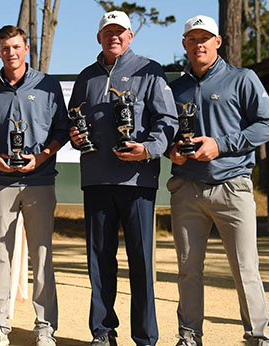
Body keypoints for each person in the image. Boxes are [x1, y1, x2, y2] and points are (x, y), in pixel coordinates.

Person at [67, 11, 178, 346]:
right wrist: (74, 135)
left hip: (137, 180)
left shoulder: (149, 70)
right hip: (97, 180)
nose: (113, 36)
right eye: (107, 32)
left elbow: (168, 120)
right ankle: (102, 331)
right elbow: (75, 122)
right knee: (99, 260)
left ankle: (145, 337)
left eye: (120, 32)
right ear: (98, 37)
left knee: (141, 262)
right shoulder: (86, 77)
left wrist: (147, 150)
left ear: (130, 36)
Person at [167, 15, 269, 346]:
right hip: (186, 188)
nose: (198, 44)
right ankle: (189, 336)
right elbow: (166, 134)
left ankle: (256, 337)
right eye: (192, 39)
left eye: (205, 38)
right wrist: (170, 151)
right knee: (188, 271)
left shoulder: (242, 79)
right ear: (185, 45)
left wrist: (221, 144)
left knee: (245, 270)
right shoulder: (175, 88)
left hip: (233, 187)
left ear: (218, 42)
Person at [0, 25, 68, 346]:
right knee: (0, 256)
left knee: (42, 255)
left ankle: (45, 328)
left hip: (40, 182)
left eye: (16, 46)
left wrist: (41, 158)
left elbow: (62, 130)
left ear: (26, 48)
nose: (11, 52)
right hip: (0, 182)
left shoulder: (48, 85)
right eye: (5, 48)